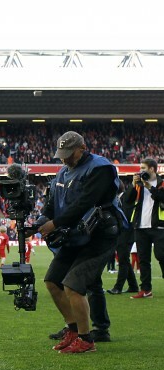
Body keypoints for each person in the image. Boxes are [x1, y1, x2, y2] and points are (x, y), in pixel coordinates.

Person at [38, 131, 125, 354]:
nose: (65, 159)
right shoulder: (62, 173)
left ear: (82, 148)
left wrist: (55, 223)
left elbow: (86, 201)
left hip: (100, 234)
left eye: (69, 154)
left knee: (73, 284)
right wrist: (42, 219)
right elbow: (51, 202)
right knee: (52, 281)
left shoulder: (101, 168)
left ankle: (87, 340)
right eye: (62, 155)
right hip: (75, 235)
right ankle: (74, 330)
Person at [125, 158, 164, 299]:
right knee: (143, 259)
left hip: (159, 226)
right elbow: (128, 201)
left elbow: (162, 197)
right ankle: (146, 290)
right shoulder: (139, 184)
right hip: (140, 226)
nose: (141, 171)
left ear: (152, 169)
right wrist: (133, 184)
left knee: (161, 255)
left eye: (143, 168)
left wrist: (149, 187)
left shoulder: (162, 183)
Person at [107, 181, 139, 294]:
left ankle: (118, 287)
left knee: (123, 259)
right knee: (123, 259)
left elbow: (131, 193)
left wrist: (134, 183)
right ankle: (133, 286)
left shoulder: (126, 198)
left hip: (126, 233)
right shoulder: (117, 200)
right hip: (123, 233)